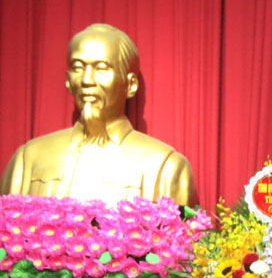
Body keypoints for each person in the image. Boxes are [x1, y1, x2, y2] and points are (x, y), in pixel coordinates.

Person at [1, 23, 197, 206]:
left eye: (102, 68)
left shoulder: (165, 166)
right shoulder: (28, 158)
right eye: (78, 67)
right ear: (68, 80)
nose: (87, 80)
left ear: (130, 85)